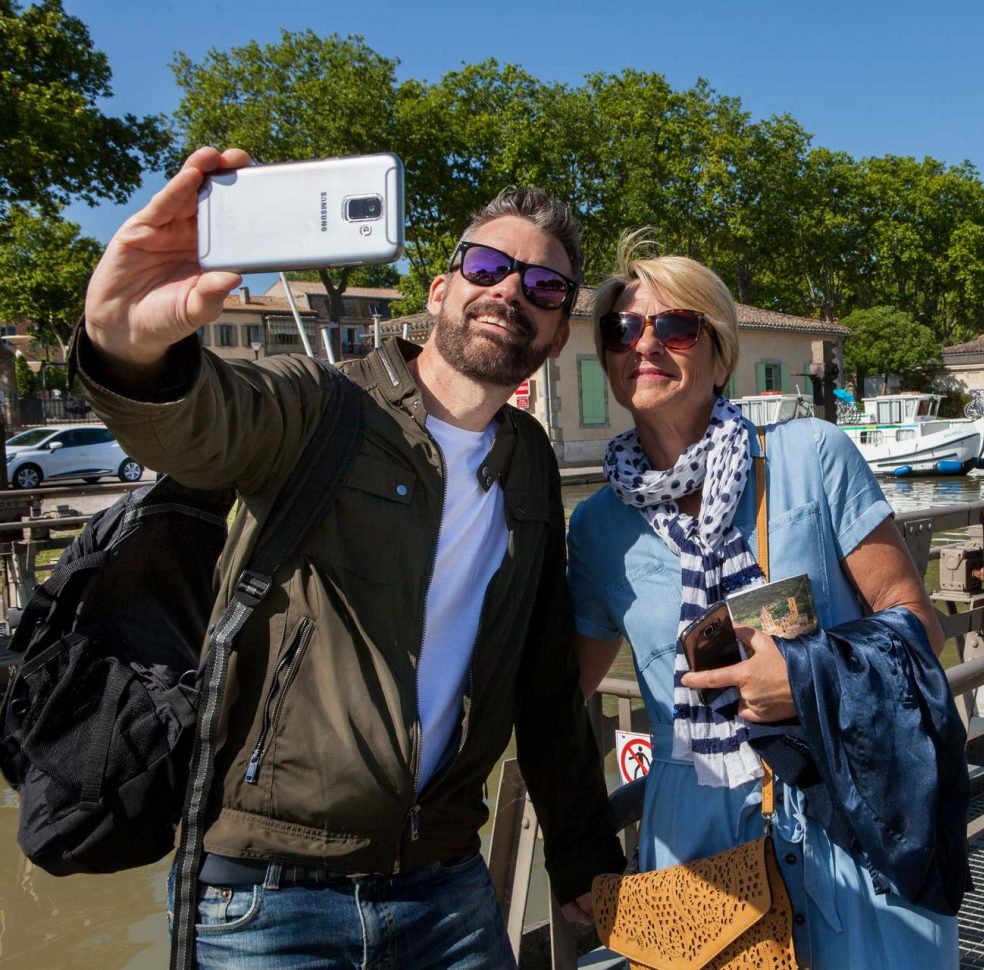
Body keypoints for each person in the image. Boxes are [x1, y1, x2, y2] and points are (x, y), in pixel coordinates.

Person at [75, 147, 625, 968]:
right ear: (441, 290)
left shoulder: (530, 461)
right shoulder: (322, 406)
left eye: (544, 288)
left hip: (445, 880)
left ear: (554, 334)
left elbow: (544, 679)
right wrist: (127, 344)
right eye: (488, 266)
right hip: (268, 895)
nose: (512, 291)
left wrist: (581, 851)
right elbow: (197, 422)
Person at [569, 238, 964, 968]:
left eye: (673, 326)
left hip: (839, 797)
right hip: (691, 829)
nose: (644, 344)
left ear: (718, 354)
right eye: (622, 331)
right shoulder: (597, 528)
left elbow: (915, 621)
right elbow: (563, 693)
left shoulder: (810, 455)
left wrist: (805, 676)